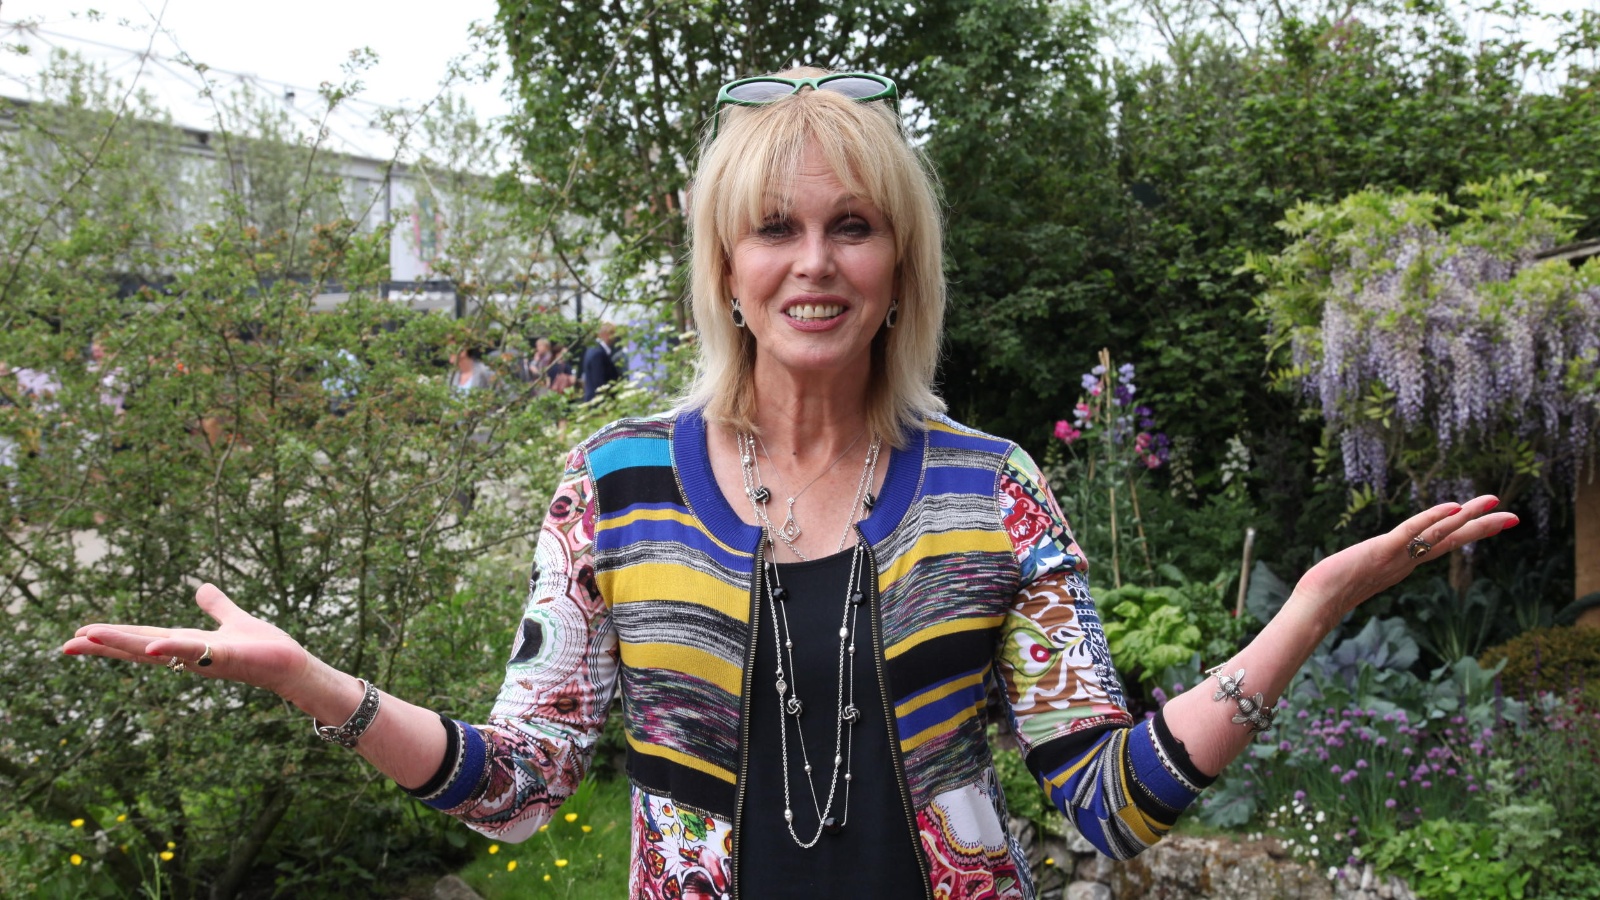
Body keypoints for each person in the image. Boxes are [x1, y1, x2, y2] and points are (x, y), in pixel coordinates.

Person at [63, 67, 1517, 899]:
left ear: (900, 273)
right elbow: (522, 788)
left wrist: (1312, 607)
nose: (813, 262)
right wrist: (312, 679)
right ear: (726, 269)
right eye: (773, 229)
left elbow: (1105, 801)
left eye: (851, 228)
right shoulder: (616, 484)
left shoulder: (990, 492)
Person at [580, 321, 621, 402]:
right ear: (605, 334)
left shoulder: (593, 349)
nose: (614, 337)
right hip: (599, 403)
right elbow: (599, 382)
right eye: (613, 333)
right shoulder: (598, 353)